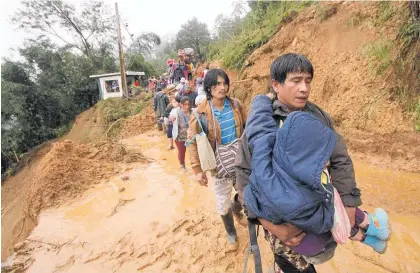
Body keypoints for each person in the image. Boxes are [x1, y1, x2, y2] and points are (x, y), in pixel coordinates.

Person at [235, 53, 390, 273]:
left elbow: (340, 160)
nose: (304, 88)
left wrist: (348, 207)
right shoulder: (261, 124)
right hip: (282, 226)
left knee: (321, 249)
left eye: (308, 81)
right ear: (276, 85)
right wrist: (269, 224)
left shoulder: (317, 116)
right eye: (296, 80)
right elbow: (242, 176)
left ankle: (369, 231)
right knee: (294, 266)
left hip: (317, 209)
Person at [187, 69, 248, 246]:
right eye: (217, 84)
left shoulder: (236, 105)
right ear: (209, 87)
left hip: (240, 160)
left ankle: (237, 210)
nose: (222, 87)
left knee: (246, 192)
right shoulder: (200, 114)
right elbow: (192, 142)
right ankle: (231, 232)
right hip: (218, 166)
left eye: (224, 83)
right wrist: (197, 170)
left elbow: (247, 128)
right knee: (222, 202)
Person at [169, 96, 192, 172]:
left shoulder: (193, 112)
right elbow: (169, 117)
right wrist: (171, 118)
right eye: (185, 104)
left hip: (190, 137)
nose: (187, 106)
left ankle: (196, 166)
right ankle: (182, 165)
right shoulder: (175, 112)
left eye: (188, 104)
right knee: (182, 151)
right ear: (181, 104)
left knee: (193, 151)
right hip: (179, 137)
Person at [164, 84, 177, 150]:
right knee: (170, 130)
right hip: (171, 119)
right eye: (170, 94)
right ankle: (171, 145)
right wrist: (169, 117)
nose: (171, 95)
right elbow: (166, 113)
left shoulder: (178, 96)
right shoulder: (170, 103)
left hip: (178, 118)